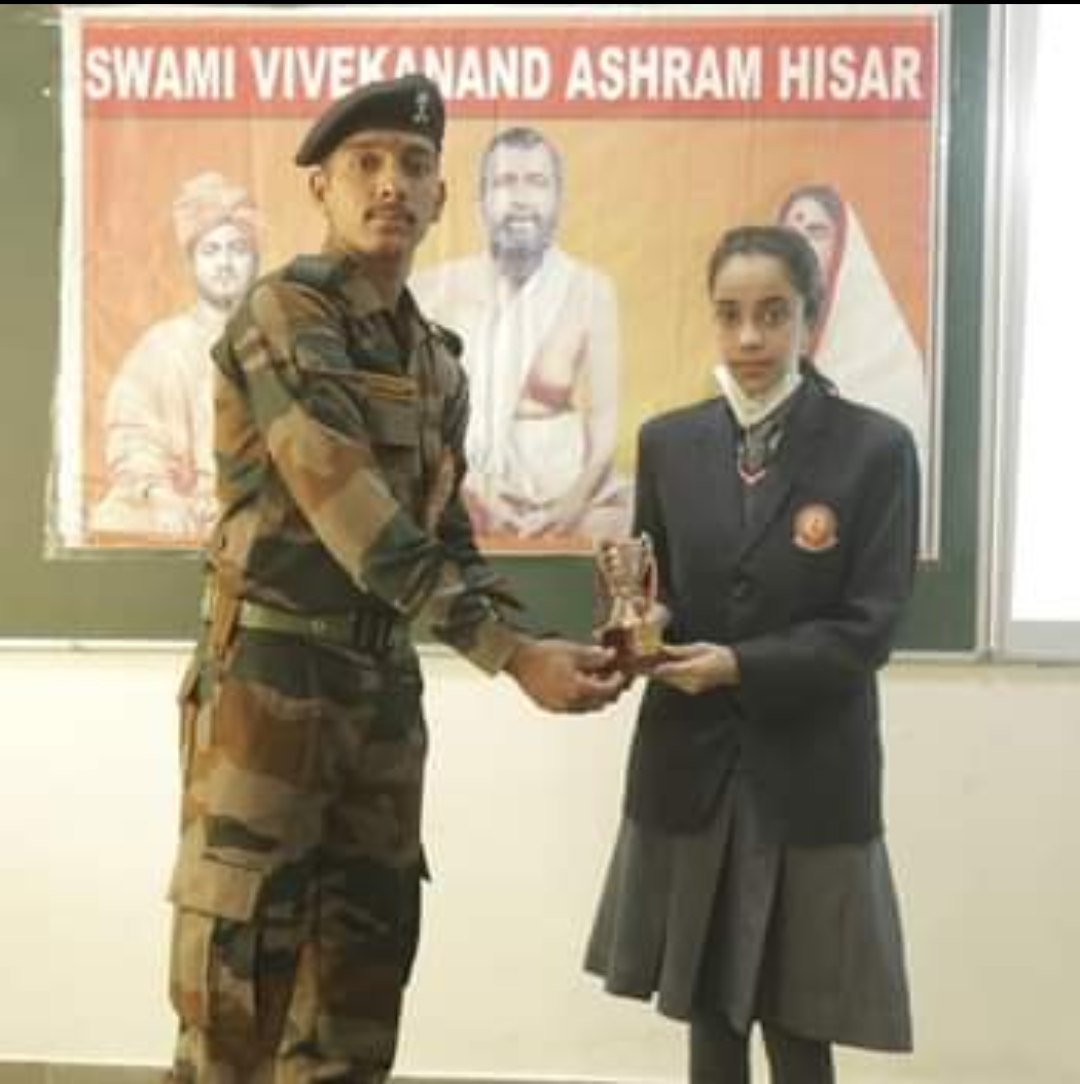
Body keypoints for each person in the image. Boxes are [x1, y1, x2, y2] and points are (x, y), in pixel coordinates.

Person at [164, 74, 624, 1084]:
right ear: (321, 188)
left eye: (414, 166)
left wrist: (537, 640)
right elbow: (354, 514)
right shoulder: (284, 313)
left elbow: (443, 533)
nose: (391, 184)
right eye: (366, 164)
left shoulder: (435, 359)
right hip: (270, 694)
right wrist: (511, 656)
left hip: (380, 697)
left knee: (357, 1004)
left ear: (439, 196)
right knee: (234, 1008)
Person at [585, 225, 919, 1083]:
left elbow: (869, 628)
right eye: (730, 314)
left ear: (810, 317)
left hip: (811, 771)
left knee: (801, 1022)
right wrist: (641, 621)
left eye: (773, 314)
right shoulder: (669, 442)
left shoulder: (875, 449)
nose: (749, 337)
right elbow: (658, 587)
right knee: (708, 1009)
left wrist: (740, 665)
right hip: (690, 766)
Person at [411, 126, 630, 543]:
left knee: (620, 521)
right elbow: (418, 422)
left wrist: (569, 508)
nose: (521, 199)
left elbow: (603, 430)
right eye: (505, 182)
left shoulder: (589, 290)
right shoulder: (434, 290)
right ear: (481, 202)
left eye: (537, 182)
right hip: (461, 484)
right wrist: (469, 487)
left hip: (561, 485)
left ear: (558, 199)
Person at [90, 171, 260, 539]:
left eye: (238, 249)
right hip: (177, 507)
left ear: (255, 261)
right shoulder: (162, 345)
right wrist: (163, 496)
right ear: (191, 263)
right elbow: (133, 434)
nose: (225, 263)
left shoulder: (280, 342)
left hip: (260, 508)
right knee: (112, 518)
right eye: (211, 251)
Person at [777, 183, 930, 490]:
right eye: (791, 234)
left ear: (843, 246)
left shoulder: (890, 359)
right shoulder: (764, 344)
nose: (801, 243)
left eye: (816, 232)